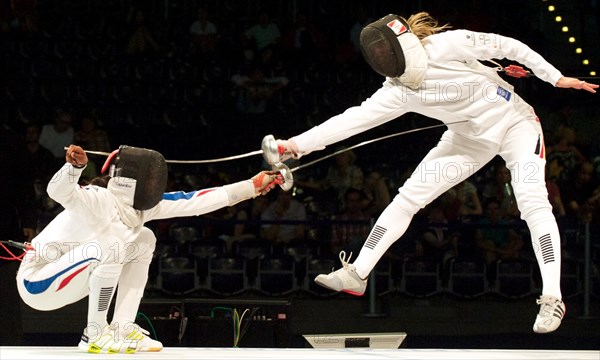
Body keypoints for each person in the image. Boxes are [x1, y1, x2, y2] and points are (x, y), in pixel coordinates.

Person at [270, 12, 598, 334]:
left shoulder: (447, 45)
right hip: (467, 140)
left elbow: (507, 45)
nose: (384, 57)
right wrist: (294, 146)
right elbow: (349, 121)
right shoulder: (396, 90)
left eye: (387, 51)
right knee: (409, 197)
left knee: (532, 202)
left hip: (516, 124)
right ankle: (358, 272)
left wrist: (554, 77)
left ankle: (553, 296)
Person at [16, 144, 281, 353]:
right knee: (113, 245)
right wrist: (75, 168)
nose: (155, 183)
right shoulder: (96, 199)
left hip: (74, 278)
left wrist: (251, 187)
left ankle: (120, 327)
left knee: (144, 238)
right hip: (37, 281)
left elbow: (196, 201)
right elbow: (59, 192)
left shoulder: (144, 207)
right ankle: (95, 333)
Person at [0, 127, 37, 345]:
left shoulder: (10, 140)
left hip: (5, 226)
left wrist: (29, 222)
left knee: (6, 289)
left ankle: (9, 340)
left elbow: (25, 185)